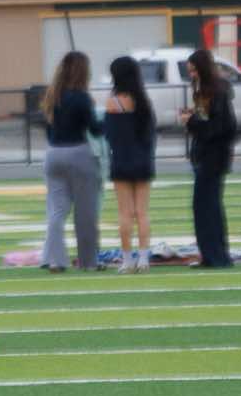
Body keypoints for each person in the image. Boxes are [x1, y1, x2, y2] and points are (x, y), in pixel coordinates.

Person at [40, 51, 102, 272]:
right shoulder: (82, 98)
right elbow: (95, 129)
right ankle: (88, 261)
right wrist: (112, 121)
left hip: (53, 154)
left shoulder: (51, 96)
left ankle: (55, 260)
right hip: (78, 153)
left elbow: (48, 131)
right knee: (85, 212)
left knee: (56, 211)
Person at [103, 56, 157, 273]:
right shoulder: (143, 101)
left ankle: (127, 261)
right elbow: (150, 134)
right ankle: (143, 259)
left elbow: (108, 133)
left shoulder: (113, 102)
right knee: (142, 212)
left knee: (125, 213)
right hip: (142, 161)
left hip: (121, 161)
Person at [184, 47, 236, 268]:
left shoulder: (216, 92)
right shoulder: (204, 90)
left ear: (203, 69)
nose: (191, 75)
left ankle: (216, 256)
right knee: (205, 207)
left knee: (208, 207)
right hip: (205, 155)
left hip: (213, 157)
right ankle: (211, 254)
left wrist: (191, 122)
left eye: (194, 70)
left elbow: (220, 127)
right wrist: (193, 120)